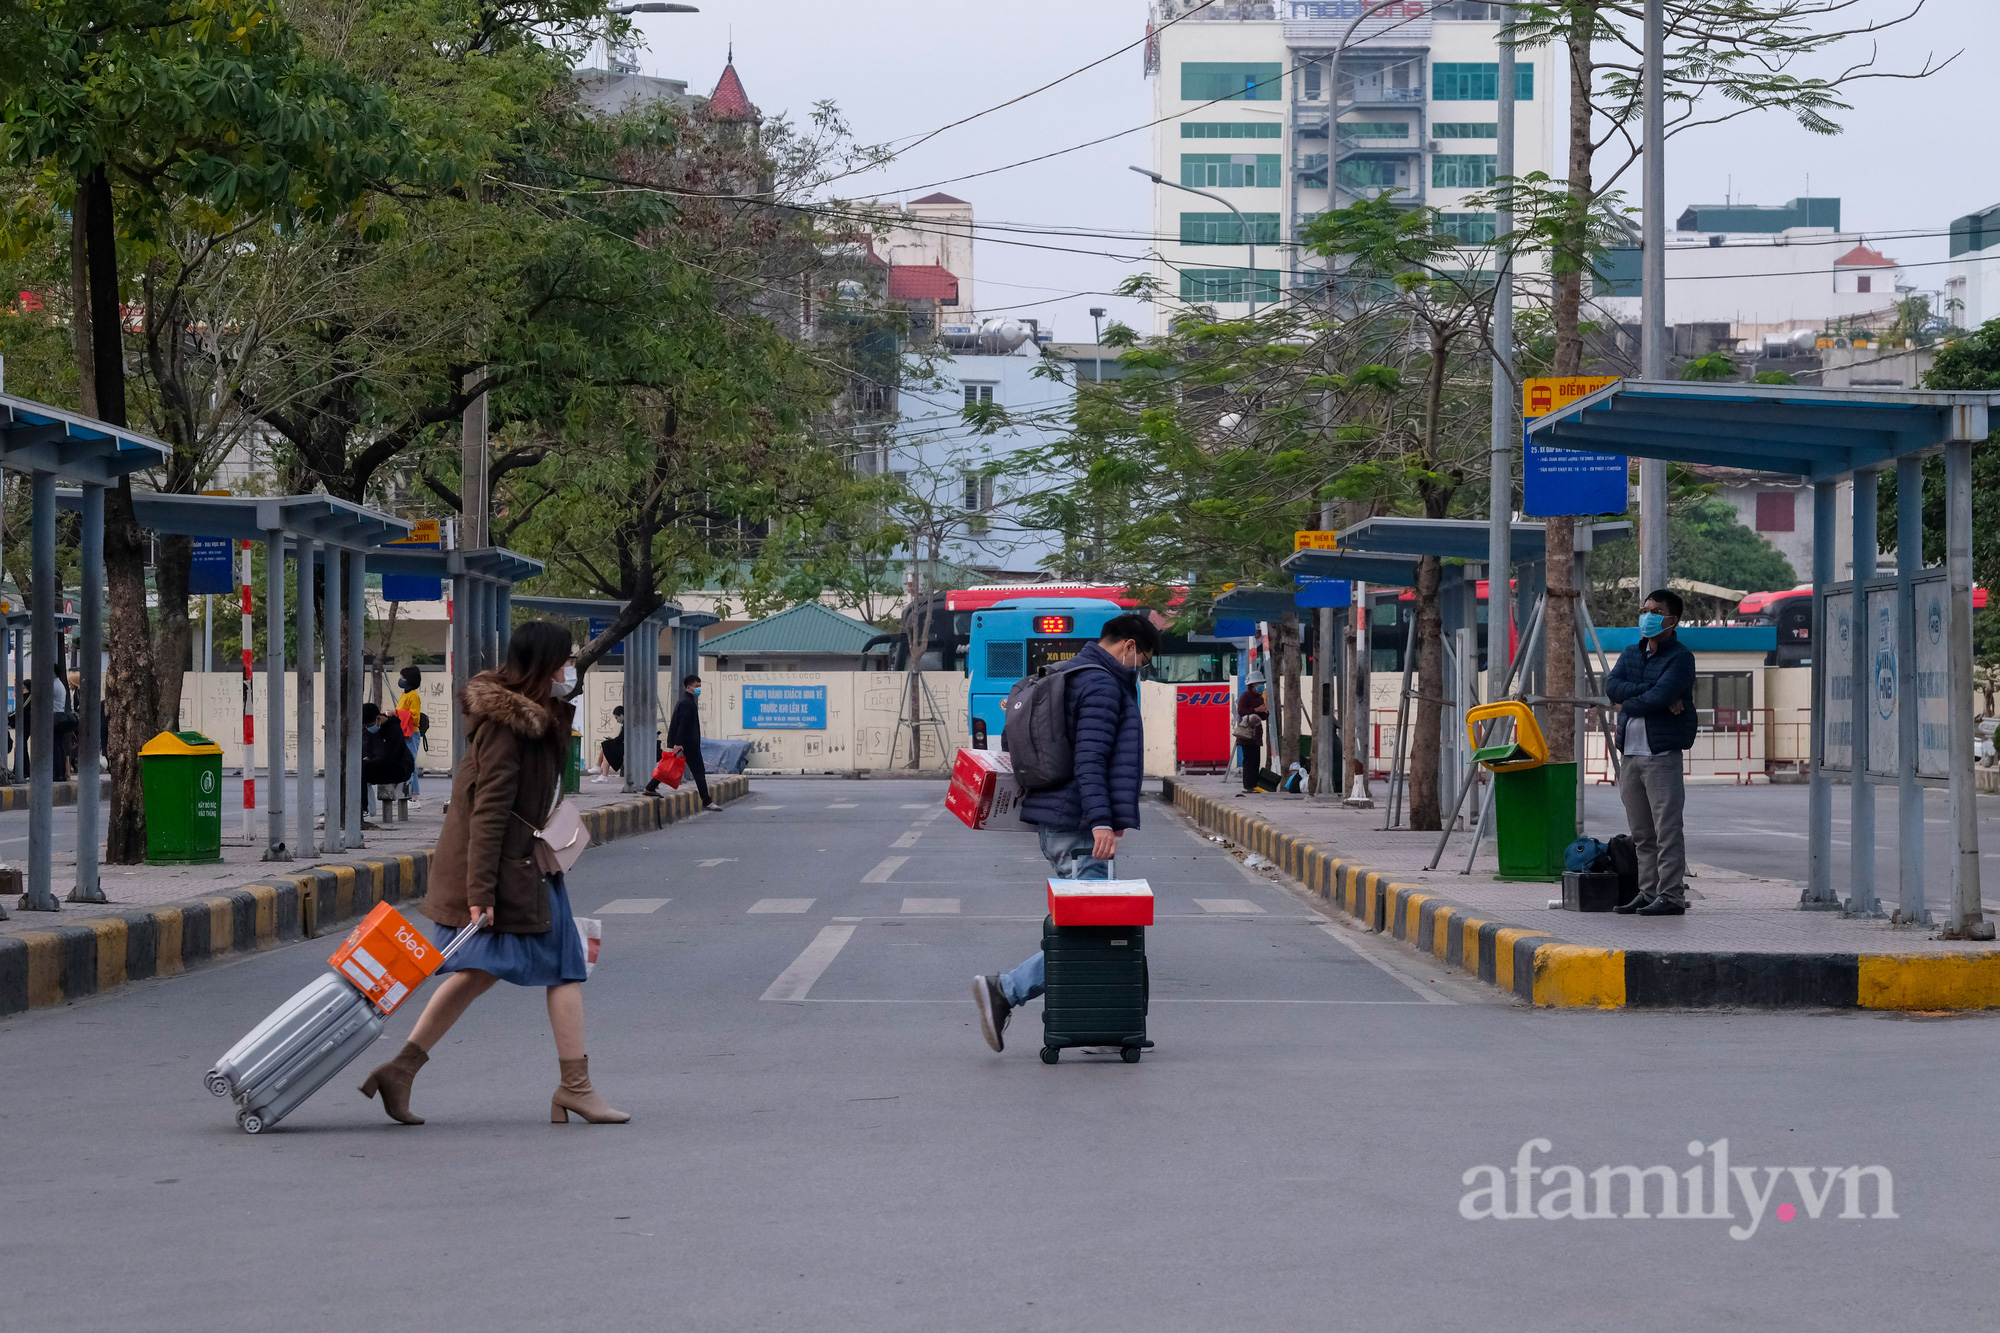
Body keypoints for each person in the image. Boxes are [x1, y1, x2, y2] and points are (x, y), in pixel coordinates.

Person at [358, 621, 627, 1126]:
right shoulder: (510, 726)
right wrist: (480, 890)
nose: (572, 668)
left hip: (518, 865)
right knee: (566, 967)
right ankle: (575, 1088)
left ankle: (401, 1070)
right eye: (566, 660)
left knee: (477, 971)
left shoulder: (530, 716)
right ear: (544, 665)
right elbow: (488, 812)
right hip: (508, 871)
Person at [971, 613, 1158, 1052]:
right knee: (1088, 932)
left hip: (1062, 819)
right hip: (1079, 825)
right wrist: (1101, 821)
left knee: (1084, 925)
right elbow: (1090, 760)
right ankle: (1006, 990)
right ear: (1129, 646)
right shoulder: (1101, 684)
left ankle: (1102, 1024)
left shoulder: (1070, 673)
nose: (1140, 668)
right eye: (1144, 660)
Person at [1607, 589, 1699, 917]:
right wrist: (1650, 692)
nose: (1648, 615)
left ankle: (1671, 895)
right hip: (1629, 755)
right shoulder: (1632, 653)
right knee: (1642, 833)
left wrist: (1639, 698)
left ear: (1672, 621)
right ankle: (1647, 893)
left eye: (1656, 610)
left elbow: (1658, 696)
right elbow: (1612, 686)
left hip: (1661, 756)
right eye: (1645, 609)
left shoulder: (1680, 658)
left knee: (1667, 830)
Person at [650, 673, 720, 811]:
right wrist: (678, 743)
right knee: (699, 772)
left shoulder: (685, 700)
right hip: (688, 744)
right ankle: (707, 801)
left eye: (700, 686)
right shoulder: (687, 703)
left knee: (669, 766)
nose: (699, 689)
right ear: (689, 688)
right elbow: (682, 724)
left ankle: (650, 787)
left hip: (685, 743)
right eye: (696, 686)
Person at [359, 702, 416, 815]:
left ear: (378, 718)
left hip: (399, 768)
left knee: (362, 771)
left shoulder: (394, 730)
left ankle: (365, 809)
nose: (369, 728)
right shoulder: (370, 730)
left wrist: (369, 762)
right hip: (380, 765)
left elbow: (390, 758)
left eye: (370, 725)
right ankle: (362, 808)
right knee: (356, 770)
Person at [1235, 672, 1268, 795]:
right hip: (1247, 734)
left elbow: (1263, 717)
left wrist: (1265, 711)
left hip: (1256, 734)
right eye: (1259, 683)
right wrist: (1256, 710)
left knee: (1256, 760)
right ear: (1252, 684)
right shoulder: (1245, 696)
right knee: (1248, 760)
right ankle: (1247, 786)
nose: (1261, 686)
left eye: (1262, 684)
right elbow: (1241, 711)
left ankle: (1253, 785)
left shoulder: (1260, 698)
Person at [396, 666, 425, 805]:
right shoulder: (405, 694)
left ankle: (414, 797)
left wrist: (396, 714)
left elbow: (415, 717)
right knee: (405, 763)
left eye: (403, 678)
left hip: (411, 733)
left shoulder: (413, 695)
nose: (401, 680)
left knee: (410, 763)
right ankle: (408, 793)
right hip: (404, 733)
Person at [594, 705, 626, 783]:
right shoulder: (625, 724)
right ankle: (602, 772)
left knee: (606, 746)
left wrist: (612, 741)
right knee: (607, 746)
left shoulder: (627, 725)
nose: (616, 720)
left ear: (621, 715)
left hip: (628, 748)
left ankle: (601, 771)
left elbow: (620, 738)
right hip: (626, 746)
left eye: (616, 717)